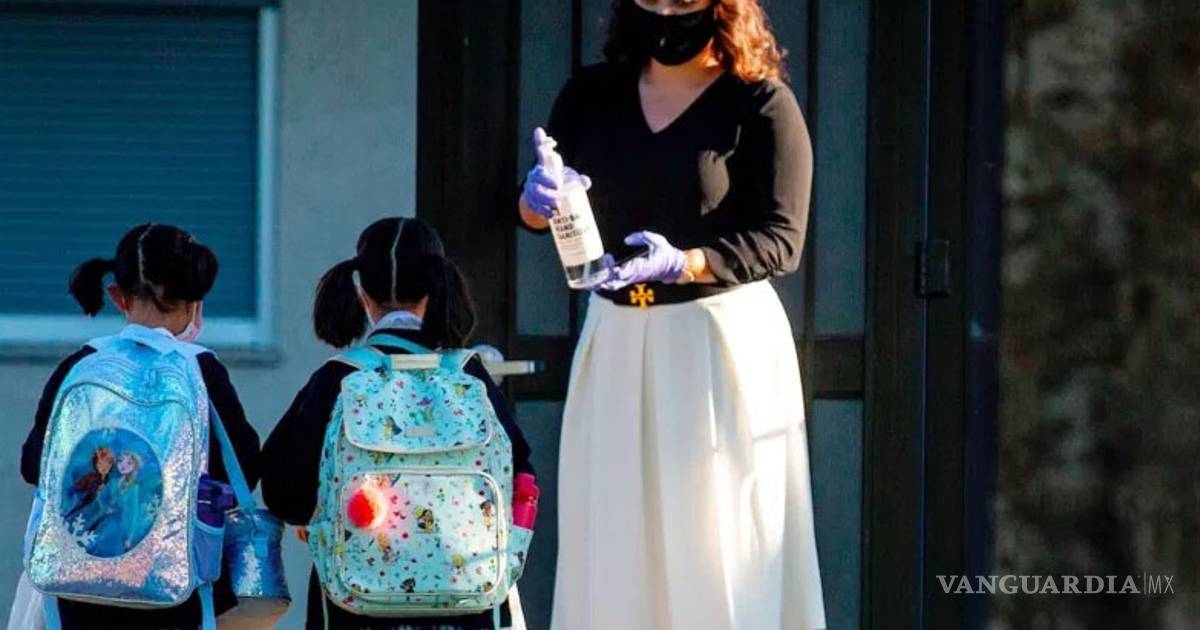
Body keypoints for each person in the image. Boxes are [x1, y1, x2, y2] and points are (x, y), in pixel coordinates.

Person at [519, 0, 826, 628]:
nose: (665, 13)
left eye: (683, 2)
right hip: (616, 336)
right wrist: (534, 202)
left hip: (716, 339)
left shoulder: (760, 104)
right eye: (652, 0)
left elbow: (782, 239)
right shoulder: (590, 96)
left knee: (717, 544)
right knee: (612, 541)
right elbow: (542, 214)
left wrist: (685, 262)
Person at [261, 217, 534, 630]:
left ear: (361, 294)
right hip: (469, 602)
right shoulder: (468, 374)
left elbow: (283, 491)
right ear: (437, 288)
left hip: (357, 608)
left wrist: (316, 510)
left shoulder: (340, 377)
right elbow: (522, 471)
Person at [21, 223, 263, 629]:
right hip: (174, 594)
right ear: (195, 301)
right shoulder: (200, 370)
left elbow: (34, 466)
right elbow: (244, 473)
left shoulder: (81, 364)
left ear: (117, 295)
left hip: (78, 594)